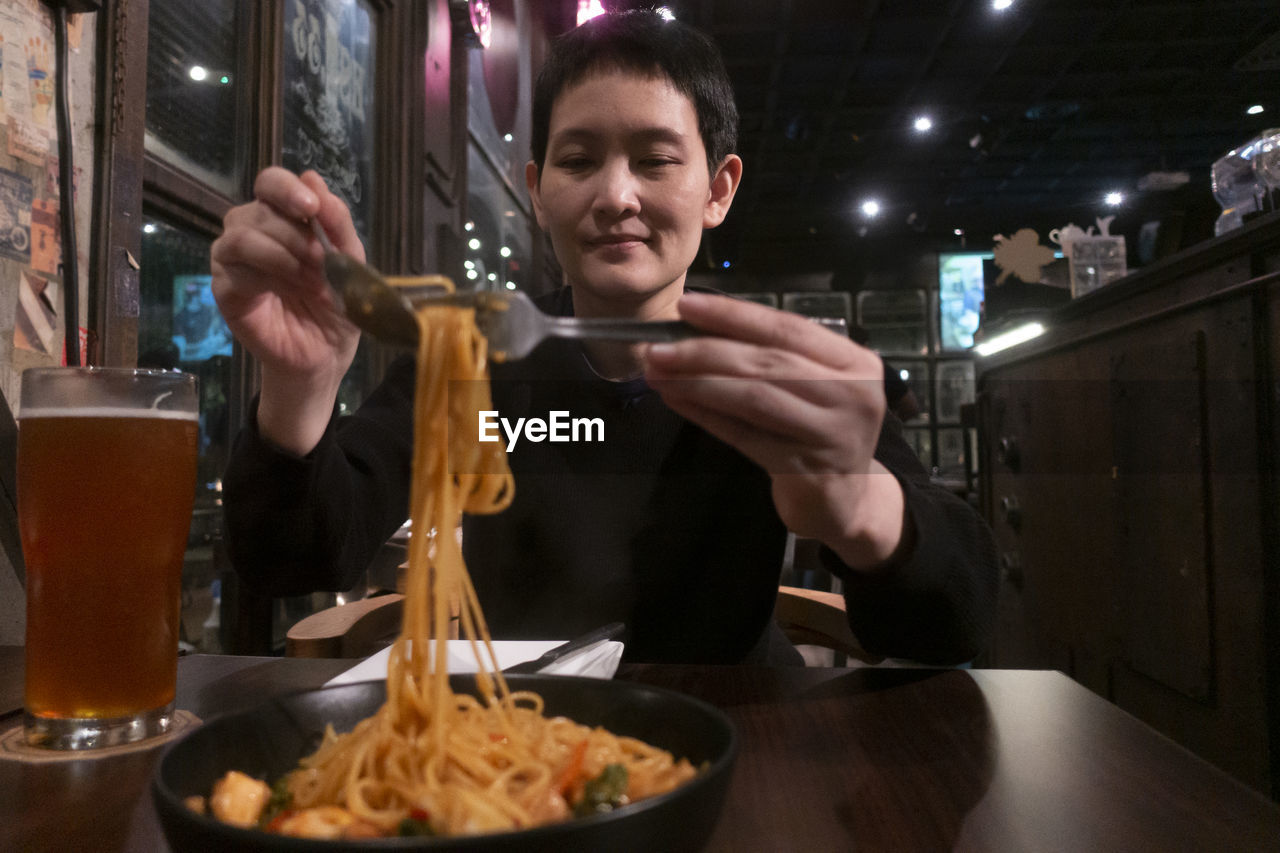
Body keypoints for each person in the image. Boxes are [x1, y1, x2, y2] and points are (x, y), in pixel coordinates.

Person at [212, 9, 997, 665]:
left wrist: (863, 505)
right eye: (579, 160)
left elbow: (954, 621)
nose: (616, 195)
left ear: (718, 190)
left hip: (738, 738)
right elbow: (294, 555)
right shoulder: (474, 359)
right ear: (537, 190)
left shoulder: (770, 370)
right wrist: (302, 386)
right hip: (519, 739)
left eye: (655, 159)